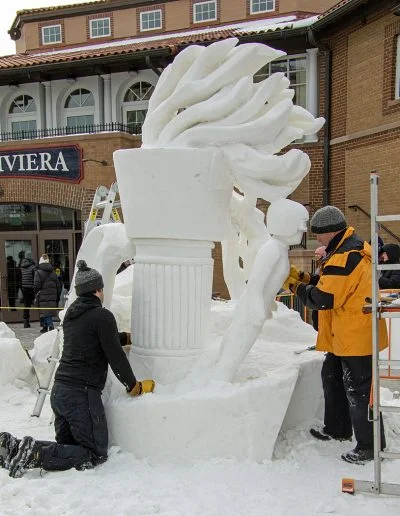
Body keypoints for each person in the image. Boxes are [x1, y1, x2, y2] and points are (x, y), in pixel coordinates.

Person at [0, 260, 155, 478]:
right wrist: (133, 385)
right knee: (94, 454)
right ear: (98, 290)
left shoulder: (73, 317)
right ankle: (33, 453)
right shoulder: (103, 316)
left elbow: (93, 339)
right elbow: (114, 356)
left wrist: (123, 337)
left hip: (60, 393)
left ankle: (15, 447)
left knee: (68, 447)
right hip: (81, 396)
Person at [284, 205, 388, 465]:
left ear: (330, 232)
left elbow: (322, 297)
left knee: (360, 391)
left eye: (318, 234)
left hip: (357, 335)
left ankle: (370, 445)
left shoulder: (346, 256)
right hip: (344, 335)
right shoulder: (341, 251)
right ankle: (338, 428)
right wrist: (299, 276)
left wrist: (293, 285)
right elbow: (324, 281)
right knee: (332, 377)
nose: (316, 239)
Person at [34, 254, 61, 333]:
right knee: (46, 311)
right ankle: (45, 327)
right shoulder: (53, 272)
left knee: (45, 311)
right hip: (53, 294)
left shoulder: (38, 272)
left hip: (42, 294)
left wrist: (35, 292)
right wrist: (57, 295)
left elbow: (37, 285)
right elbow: (58, 285)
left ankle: (50, 326)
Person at [20, 251, 37, 328]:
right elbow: (35, 278)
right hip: (32, 287)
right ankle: (42, 321)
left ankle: (26, 321)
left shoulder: (22, 267)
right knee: (38, 303)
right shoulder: (33, 267)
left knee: (26, 305)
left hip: (24, 288)